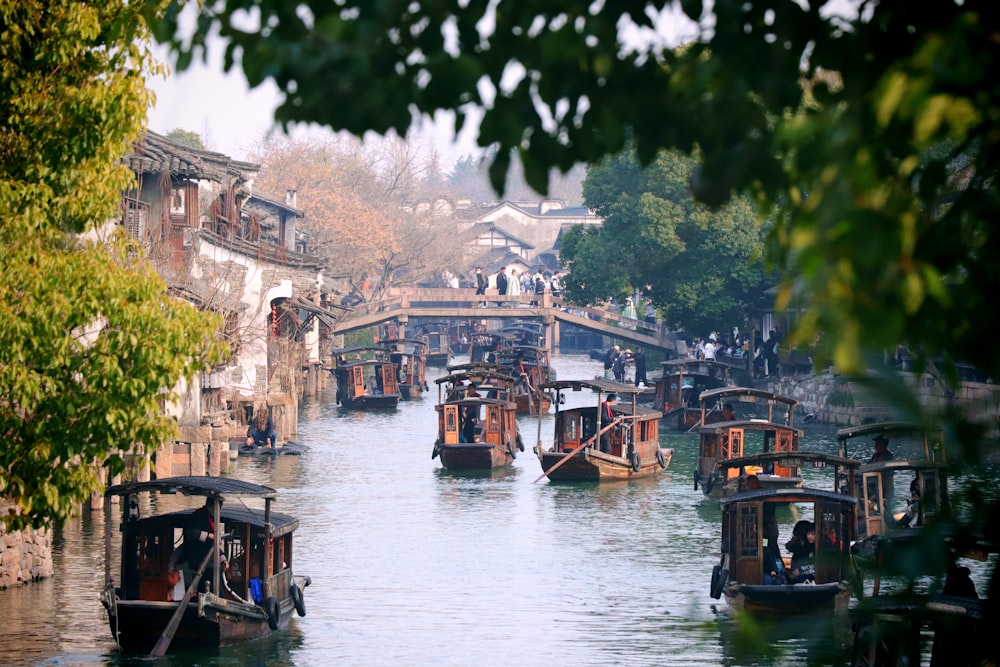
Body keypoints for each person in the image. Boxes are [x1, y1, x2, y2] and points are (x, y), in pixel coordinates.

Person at [180, 497, 227, 593]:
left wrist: (223, 559)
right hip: (199, 559)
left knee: (218, 577)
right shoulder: (198, 516)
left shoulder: (210, 518)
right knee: (208, 581)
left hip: (209, 560)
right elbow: (190, 532)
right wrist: (208, 535)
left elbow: (214, 543)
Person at [762, 514, 786, 585]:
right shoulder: (764, 544)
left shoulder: (774, 545)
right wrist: (772, 570)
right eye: (773, 525)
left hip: (776, 571)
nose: (776, 529)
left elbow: (778, 559)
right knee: (769, 581)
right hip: (766, 571)